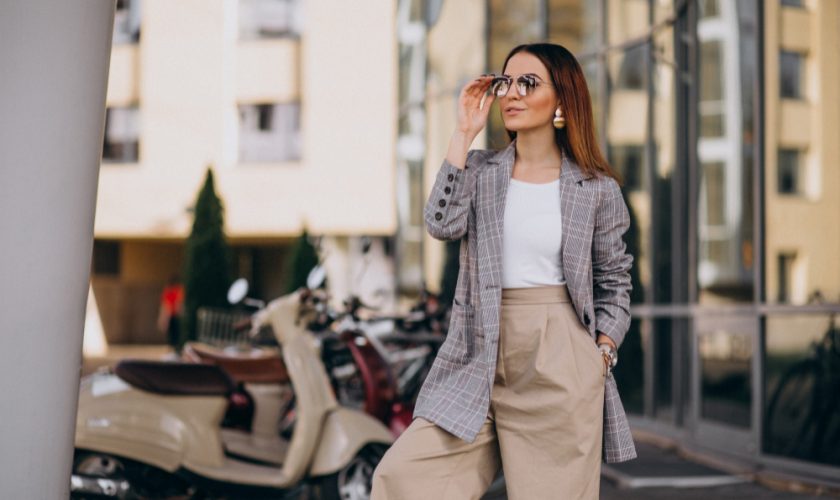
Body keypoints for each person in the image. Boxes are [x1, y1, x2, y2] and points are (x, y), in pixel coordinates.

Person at [370, 43, 637, 500]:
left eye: (528, 83)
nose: (511, 93)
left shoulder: (595, 189)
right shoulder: (479, 170)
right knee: (403, 479)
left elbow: (615, 280)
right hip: (478, 352)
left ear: (561, 100)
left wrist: (601, 354)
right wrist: (462, 134)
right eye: (506, 81)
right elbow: (440, 222)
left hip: (559, 362)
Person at [158, 274, 184, 349]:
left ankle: (173, 347)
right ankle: (174, 347)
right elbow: (177, 303)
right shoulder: (178, 290)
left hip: (172, 315)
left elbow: (166, 305)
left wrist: (163, 318)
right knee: (175, 333)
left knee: (173, 333)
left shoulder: (171, 291)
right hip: (174, 315)